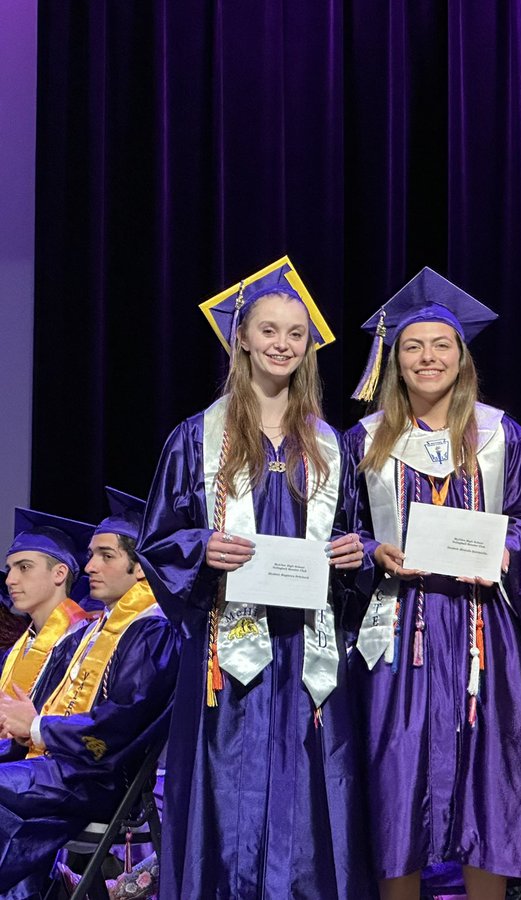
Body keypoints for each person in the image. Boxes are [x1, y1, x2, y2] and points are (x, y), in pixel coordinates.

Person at [138, 258, 371, 900]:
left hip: (305, 655)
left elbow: (355, 540)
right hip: (228, 654)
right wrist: (201, 546)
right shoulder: (195, 439)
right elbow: (157, 542)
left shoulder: (331, 444)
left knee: (305, 798)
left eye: (296, 334)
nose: (282, 345)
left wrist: (359, 554)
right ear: (240, 336)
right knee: (224, 793)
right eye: (269, 331)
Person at [343, 267, 521, 900]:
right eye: (413, 346)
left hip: (480, 631)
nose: (427, 358)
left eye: (441, 345)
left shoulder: (501, 437)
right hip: (397, 633)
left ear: (462, 357)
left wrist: (504, 554)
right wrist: (370, 551)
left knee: (487, 782)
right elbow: (343, 531)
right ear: (394, 360)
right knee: (394, 780)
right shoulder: (364, 442)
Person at [0, 502, 179, 897]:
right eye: (92, 555)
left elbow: (118, 726)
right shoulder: (97, 630)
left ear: (140, 566)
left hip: (101, 779)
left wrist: (34, 727)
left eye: (106, 555)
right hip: (65, 770)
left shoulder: (152, 631)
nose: (91, 566)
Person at [0, 508, 95, 763]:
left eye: (24, 567)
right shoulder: (17, 649)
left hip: (52, 769)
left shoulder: (84, 643)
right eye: (9, 569)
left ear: (59, 574)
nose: (10, 579)